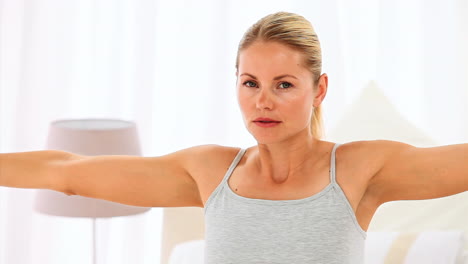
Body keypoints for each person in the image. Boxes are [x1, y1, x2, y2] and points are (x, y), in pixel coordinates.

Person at [1, 11, 467, 264]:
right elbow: (65, 173)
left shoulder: (361, 168)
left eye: (284, 85)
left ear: (318, 89)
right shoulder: (208, 172)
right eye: (251, 83)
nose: (263, 102)